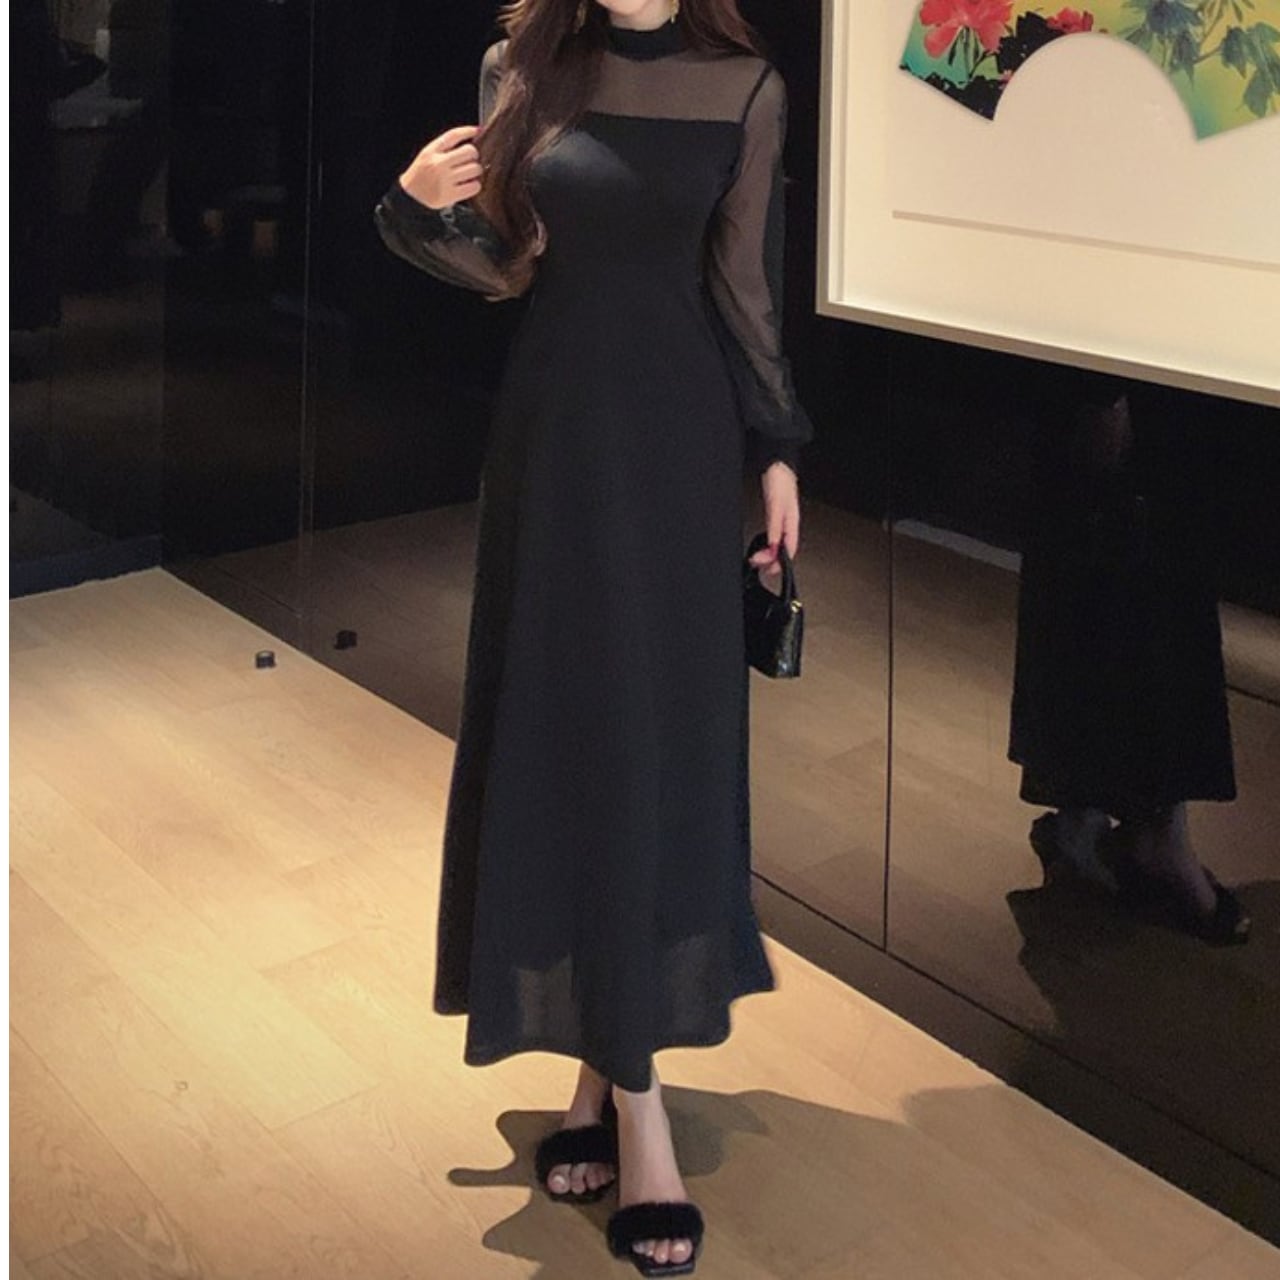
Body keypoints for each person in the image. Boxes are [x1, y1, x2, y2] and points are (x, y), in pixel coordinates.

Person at [372, 0, 813, 1272]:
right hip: (557, 443)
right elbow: (507, 265)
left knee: (654, 749)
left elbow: (741, 287)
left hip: (678, 449)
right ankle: (630, 1095)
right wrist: (411, 208)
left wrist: (776, 448)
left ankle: (609, 1082)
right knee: (569, 737)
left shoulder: (744, 86)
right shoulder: (521, 66)